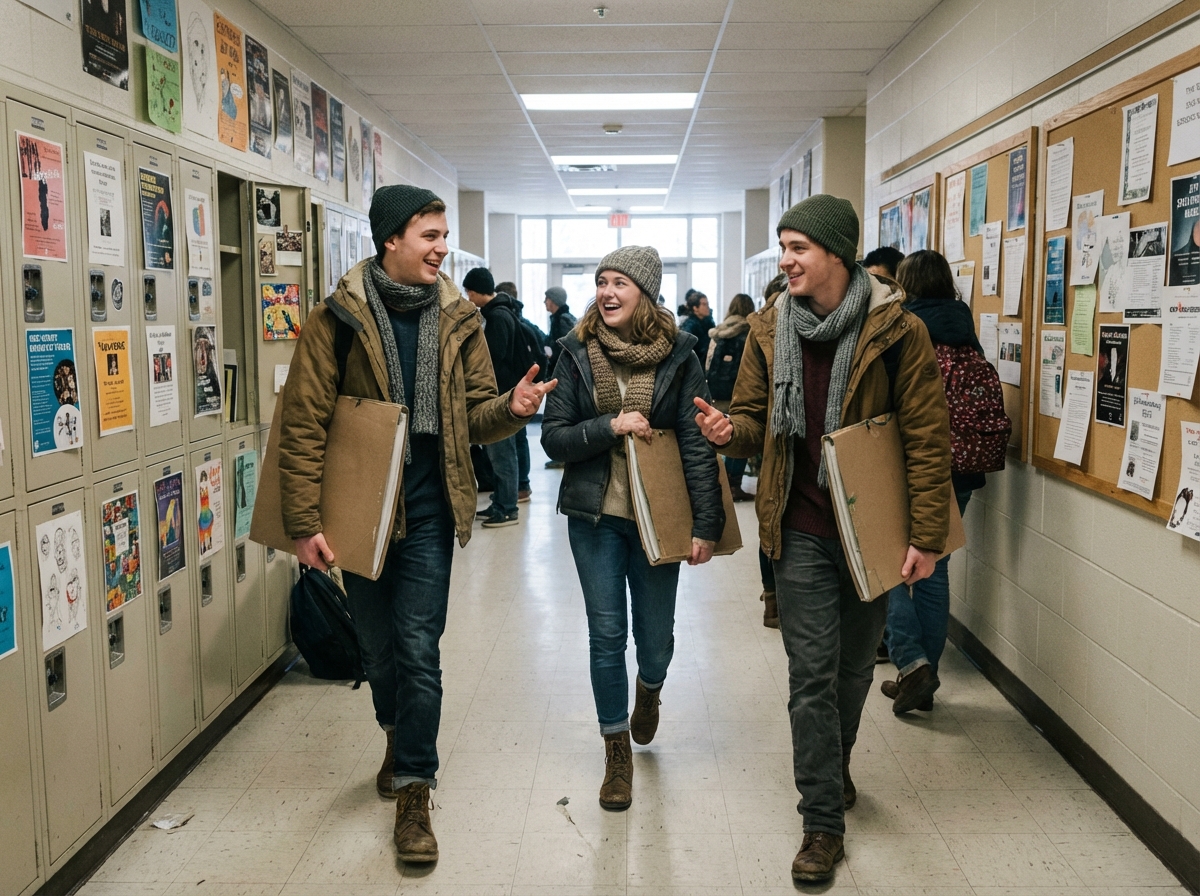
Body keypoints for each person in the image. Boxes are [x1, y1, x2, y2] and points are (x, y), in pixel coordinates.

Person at [277, 185, 555, 864]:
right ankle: (396, 735)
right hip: (361, 512)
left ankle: (414, 791)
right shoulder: (337, 320)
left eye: (444, 236)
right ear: (391, 240)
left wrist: (512, 408)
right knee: (378, 651)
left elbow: (476, 414)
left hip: (430, 509)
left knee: (418, 648)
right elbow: (304, 424)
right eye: (430, 235)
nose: (442, 249)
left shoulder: (460, 320)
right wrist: (303, 522)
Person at [694, 194, 952, 883]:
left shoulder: (898, 331)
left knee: (855, 668)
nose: (785, 261)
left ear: (836, 252)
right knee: (810, 675)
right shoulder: (769, 328)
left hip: (872, 528)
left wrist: (927, 536)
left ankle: (834, 764)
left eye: (797, 248)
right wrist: (730, 430)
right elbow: (754, 420)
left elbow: (927, 439)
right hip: (800, 521)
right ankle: (821, 823)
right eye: (782, 247)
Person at [542, 245, 724, 812]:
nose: (607, 292)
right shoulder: (574, 352)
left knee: (656, 638)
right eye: (602, 281)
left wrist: (707, 523)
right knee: (605, 634)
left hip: (658, 517)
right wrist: (610, 425)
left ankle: (650, 687)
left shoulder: (681, 354)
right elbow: (554, 438)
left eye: (620, 282)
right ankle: (615, 749)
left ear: (645, 292)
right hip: (594, 517)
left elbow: (695, 441)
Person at [881, 249, 986, 713]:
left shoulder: (905, 328)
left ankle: (912, 665)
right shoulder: (964, 326)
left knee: (890, 562)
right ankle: (926, 676)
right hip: (961, 464)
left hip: (912, 463)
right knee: (934, 566)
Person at [464, 267, 528, 527]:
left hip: (501, 395)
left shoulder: (497, 317)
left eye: (469, 292)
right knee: (502, 453)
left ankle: (507, 508)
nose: (468, 298)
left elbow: (493, 359)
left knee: (502, 455)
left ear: (478, 291)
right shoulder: (502, 312)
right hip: (505, 392)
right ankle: (500, 501)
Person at [705, 292, 756, 502]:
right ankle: (733, 484)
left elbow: (708, 362)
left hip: (716, 393)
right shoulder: (750, 331)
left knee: (718, 436)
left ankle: (719, 483)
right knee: (738, 435)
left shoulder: (718, 332)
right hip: (738, 392)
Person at [497, 280, 535, 501]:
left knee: (508, 444)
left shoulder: (500, 318)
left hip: (507, 391)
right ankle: (522, 485)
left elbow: (498, 357)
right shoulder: (519, 318)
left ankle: (510, 497)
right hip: (518, 387)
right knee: (520, 439)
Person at [543, 285, 578, 470]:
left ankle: (562, 456)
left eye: (547, 299)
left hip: (562, 376)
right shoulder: (562, 318)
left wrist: (551, 354)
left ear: (554, 300)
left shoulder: (561, 320)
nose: (545, 302)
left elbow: (565, 349)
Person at [679, 289, 715, 365]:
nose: (707, 307)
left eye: (707, 304)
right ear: (695, 308)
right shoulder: (689, 326)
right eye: (704, 304)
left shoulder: (709, 323)